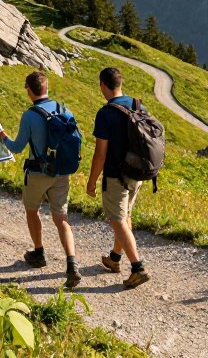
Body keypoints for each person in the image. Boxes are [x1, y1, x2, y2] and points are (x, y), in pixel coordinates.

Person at [0, 71, 81, 287]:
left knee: (32, 210)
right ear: (46, 87)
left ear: (28, 89)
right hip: (61, 172)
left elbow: (17, 147)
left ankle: (39, 253)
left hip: (37, 173)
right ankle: (72, 264)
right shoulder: (64, 109)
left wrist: (3, 138)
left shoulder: (30, 115)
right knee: (61, 218)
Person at [86, 66, 151, 289]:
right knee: (126, 215)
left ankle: (137, 267)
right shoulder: (138, 105)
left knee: (117, 219)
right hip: (137, 172)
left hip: (116, 176)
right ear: (120, 84)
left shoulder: (106, 114)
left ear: (102, 85)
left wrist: (91, 181)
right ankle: (114, 259)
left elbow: (100, 154)